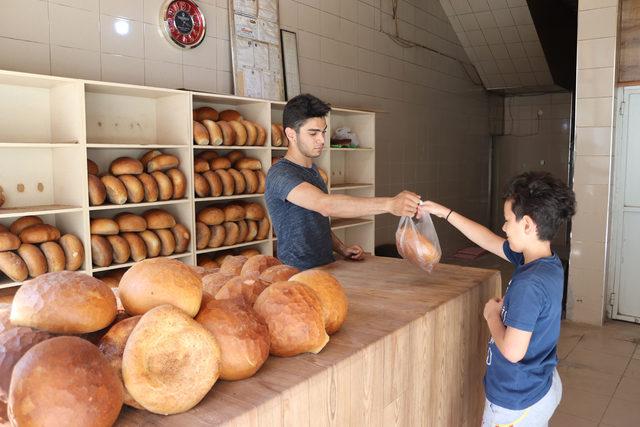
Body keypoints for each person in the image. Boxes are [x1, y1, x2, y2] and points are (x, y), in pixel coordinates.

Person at [418, 171, 576, 427]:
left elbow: (513, 351)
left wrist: (491, 315)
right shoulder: (544, 262)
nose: (503, 228)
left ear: (527, 224)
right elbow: (488, 240)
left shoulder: (529, 284)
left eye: (507, 221)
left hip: (516, 402)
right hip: (541, 385)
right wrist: (444, 213)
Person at [265, 94, 420, 270]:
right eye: (313, 133)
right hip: (298, 274)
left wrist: (341, 248)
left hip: (327, 267)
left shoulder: (313, 171)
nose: (322, 140)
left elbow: (317, 221)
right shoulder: (280, 174)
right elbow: (325, 205)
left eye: (323, 132)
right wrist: (390, 204)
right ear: (291, 134)